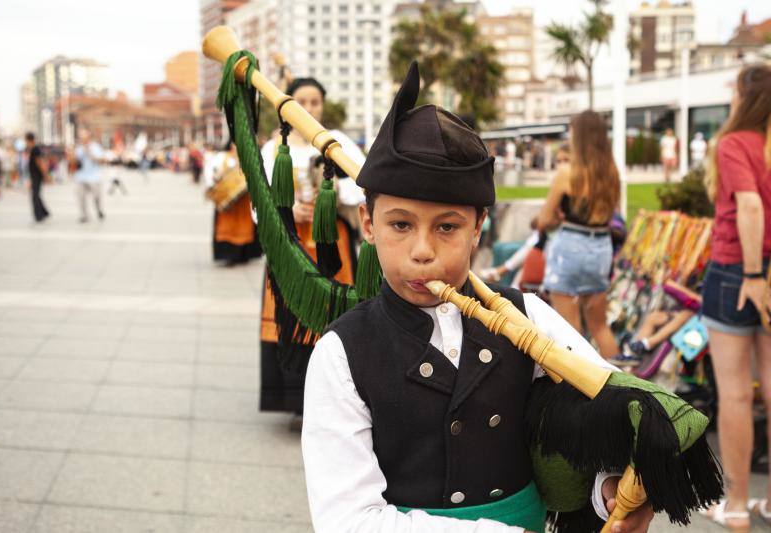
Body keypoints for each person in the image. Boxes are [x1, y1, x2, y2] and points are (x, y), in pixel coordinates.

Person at [301, 62, 655, 533]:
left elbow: (602, 412)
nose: (422, 251)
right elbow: (347, 519)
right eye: (400, 224)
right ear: (368, 224)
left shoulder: (526, 317)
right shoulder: (342, 352)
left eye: (447, 227)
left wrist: (608, 486)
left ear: (478, 228)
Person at [259, 77, 365, 421]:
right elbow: (258, 207)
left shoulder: (339, 142)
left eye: (315, 101)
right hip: (290, 248)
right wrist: (289, 211)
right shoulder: (271, 149)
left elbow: (366, 188)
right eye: (300, 100)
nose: (308, 107)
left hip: (333, 246)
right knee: (292, 315)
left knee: (336, 315)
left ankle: (341, 400)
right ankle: (297, 402)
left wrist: (329, 200)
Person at [699, 64, 771, 531]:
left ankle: (739, 505)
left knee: (736, 396)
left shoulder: (734, 143)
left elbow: (749, 205)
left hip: (735, 271)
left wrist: (750, 273)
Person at [536, 111, 620, 358]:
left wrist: (554, 219)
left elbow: (544, 220)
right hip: (601, 248)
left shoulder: (567, 174)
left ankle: (578, 392)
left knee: (569, 331)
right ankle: (620, 386)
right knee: (601, 327)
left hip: (570, 247)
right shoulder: (612, 174)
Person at [205, 142, 262, 265]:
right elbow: (211, 173)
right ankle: (228, 255)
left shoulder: (249, 157)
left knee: (245, 226)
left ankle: (244, 254)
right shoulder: (222, 157)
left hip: (244, 201)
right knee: (226, 227)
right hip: (227, 200)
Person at [73, 129, 105, 223]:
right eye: (81, 138)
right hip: (80, 177)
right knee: (81, 197)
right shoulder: (78, 148)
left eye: (84, 138)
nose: (83, 140)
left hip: (94, 177)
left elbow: (101, 160)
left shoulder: (96, 147)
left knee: (96, 197)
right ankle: (84, 215)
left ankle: (98, 209)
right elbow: (74, 162)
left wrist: (89, 153)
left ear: (89, 137)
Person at [25, 132, 50, 222]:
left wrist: (45, 175)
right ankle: (44, 212)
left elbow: (39, 162)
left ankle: (39, 215)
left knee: (35, 195)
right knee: (36, 194)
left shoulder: (35, 149)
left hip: (36, 175)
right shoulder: (33, 149)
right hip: (34, 175)